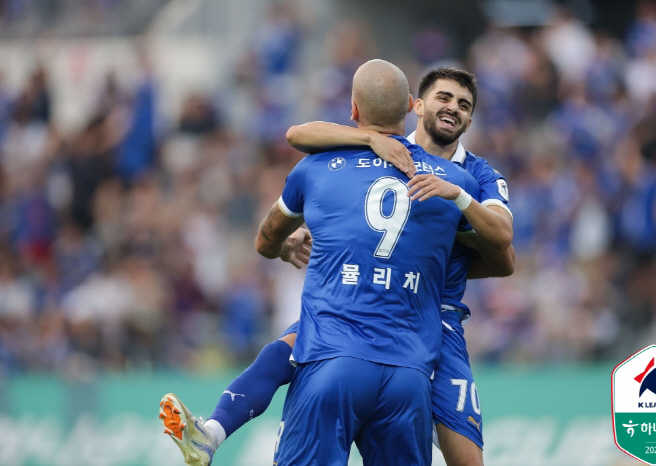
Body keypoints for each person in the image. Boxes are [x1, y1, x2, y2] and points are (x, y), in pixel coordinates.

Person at [159, 66, 512, 466]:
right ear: (415, 106)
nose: (453, 109)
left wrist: (457, 202)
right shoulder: (452, 177)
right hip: (406, 357)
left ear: (354, 108)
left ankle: (212, 432)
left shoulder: (468, 177)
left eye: (464, 105)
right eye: (444, 99)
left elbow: (504, 252)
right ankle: (213, 431)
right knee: (285, 348)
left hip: (413, 322)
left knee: (466, 459)